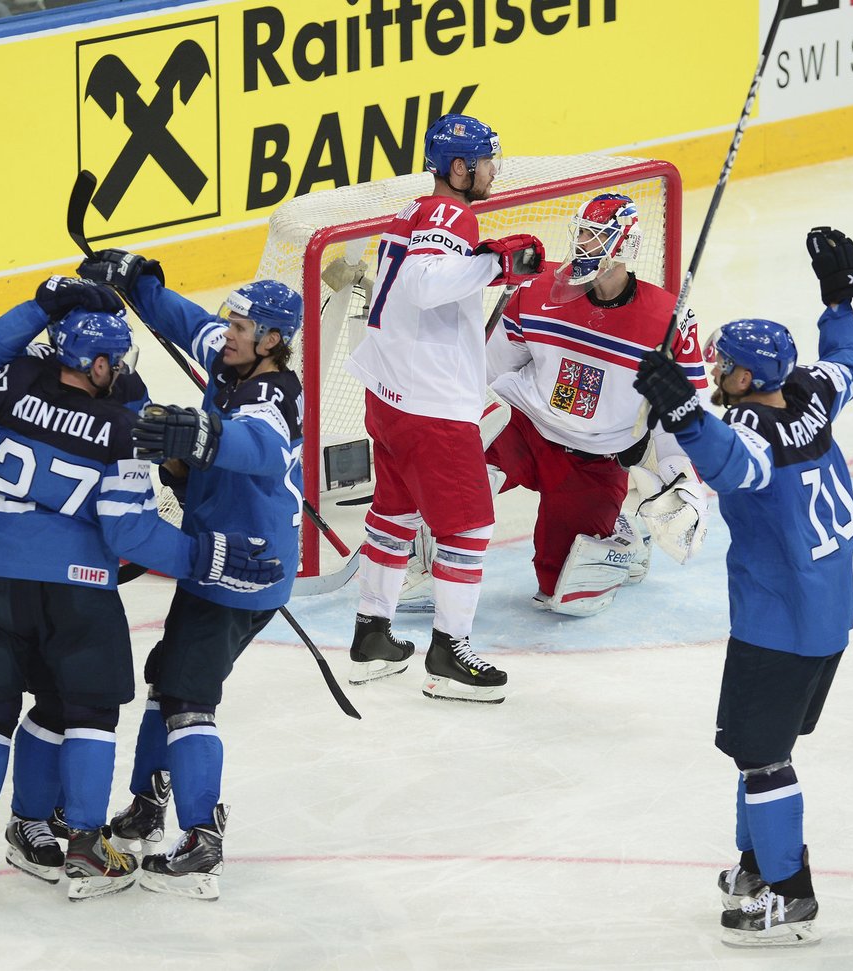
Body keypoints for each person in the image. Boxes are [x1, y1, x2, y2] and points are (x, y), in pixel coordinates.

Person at [0, 286, 281, 899]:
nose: (122, 372)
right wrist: (205, 554)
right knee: (87, 711)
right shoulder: (125, 426)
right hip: (75, 588)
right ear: (98, 364)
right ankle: (88, 843)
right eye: (117, 362)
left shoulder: (7, 379)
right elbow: (130, 530)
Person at [633, 226, 853, 947]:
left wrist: (679, 413)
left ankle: (791, 897)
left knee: (765, 759)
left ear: (744, 380)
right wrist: (837, 299)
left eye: (722, 365)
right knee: (756, 747)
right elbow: (848, 362)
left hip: (782, 619)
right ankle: (757, 864)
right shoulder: (812, 392)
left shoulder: (750, 430)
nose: (714, 368)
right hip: (822, 612)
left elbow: (734, 463)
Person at [78, 249, 305, 899]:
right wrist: (138, 281)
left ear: (270, 341)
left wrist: (196, 439)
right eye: (230, 323)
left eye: (240, 327)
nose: (226, 331)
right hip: (211, 553)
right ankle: (150, 799)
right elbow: (184, 320)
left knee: (186, 695)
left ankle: (202, 837)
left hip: (245, 567)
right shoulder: (232, 353)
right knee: (166, 678)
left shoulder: (273, 395)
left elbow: (257, 446)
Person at [341, 112, 543, 704]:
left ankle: (371, 634)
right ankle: (449, 652)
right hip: (430, 403)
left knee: (394, 513)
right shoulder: (450, 212)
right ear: (459, 168)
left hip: (390, 394)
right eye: (485, 161)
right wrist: (496, 265)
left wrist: (485, 264)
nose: (493, 172)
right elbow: (428, 284)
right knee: (471, 523)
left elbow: (418, 283)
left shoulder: (413, 211)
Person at [0, 275, 151, 883]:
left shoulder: (22, 379)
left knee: (35, 699)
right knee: (83, 702)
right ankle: (49, 824)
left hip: (16, 566)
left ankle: (18, 821)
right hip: (74, 572)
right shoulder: (35, 371)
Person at [460, 193, 711, 616]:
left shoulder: (668, 322)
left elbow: (686, 411)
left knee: (561, 595)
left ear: (625, 247)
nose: (583, 244)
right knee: (459, 479)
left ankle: (623, 537)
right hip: (524, 426)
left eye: (596, 237)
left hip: (593, 457)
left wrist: (679, 477)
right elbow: (487, 369)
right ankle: (431, 563)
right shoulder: (536, 293)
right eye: (581, 232)